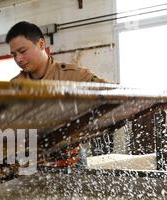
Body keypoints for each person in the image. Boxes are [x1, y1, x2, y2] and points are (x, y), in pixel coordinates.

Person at [6, 21, 109, 168]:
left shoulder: (73, 76)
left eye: (22, 51)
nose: (18, 59)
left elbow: (112, 93)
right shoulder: (15, 86)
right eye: (14, 54)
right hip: (32, 161)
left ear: (41, 44)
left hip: (71, 160)